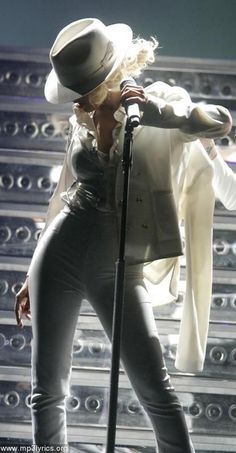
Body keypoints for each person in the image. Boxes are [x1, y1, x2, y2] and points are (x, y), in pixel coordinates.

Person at [14, 18, 232, 452]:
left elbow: (218, 123)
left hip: (118, 264)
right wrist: (29, 273)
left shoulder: (154, 103)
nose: (80, 98)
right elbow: (60, 195)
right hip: (59, 250)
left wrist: (153, 112)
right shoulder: (81, 119)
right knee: (46, 392)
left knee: (157, 391)